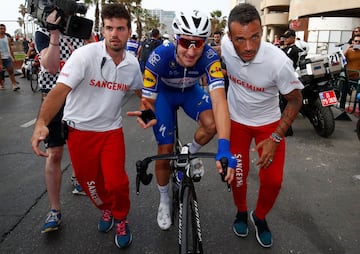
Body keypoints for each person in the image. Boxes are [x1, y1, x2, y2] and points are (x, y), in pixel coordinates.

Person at [31, 3, 142, 249]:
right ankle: (105, 210)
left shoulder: (132, 65)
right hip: (79, 133)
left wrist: (149, 108)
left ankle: (121, 217)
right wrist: (41, 122)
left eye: (120, 28)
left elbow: (142, 91)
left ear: (129, 30)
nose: (115, 34)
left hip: (111, 132)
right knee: (91, 186)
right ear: (102, 29)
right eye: (109, 28)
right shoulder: (84, 56)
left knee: (117, 183)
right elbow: (59, 91)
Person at [127, 10, 237, 231]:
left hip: (190, 92)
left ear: (205, 43)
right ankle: (165, 200)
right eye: (186, 42)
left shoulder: (210, 57)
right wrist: (147, 113)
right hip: (165, 96)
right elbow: (148, 99)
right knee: (165, 147)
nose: (191, 50)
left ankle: (189, 151)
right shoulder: (159, 56)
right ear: (176, 39)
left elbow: (219, 101)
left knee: (212, 123)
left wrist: (224, 147)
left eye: (198, 43)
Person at [221, 3, 303, 248]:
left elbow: (296, 99)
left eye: (255, 37)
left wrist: (276, 137)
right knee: (237, 175)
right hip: (236, 122)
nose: (248, 47)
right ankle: (241, 212)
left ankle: (260, 216)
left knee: (273, 181)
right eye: (240, 39)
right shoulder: (225, 47)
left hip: (268, 125)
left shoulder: (277, 62)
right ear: (229, 38)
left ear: (261, 32)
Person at [33, 7, 89, 234]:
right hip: (54, 96)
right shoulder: (42, 33)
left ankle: (77, 178)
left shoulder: (79, 30)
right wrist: (54, 33)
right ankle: (54, 210)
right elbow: (51, 66)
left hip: (78, 97)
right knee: (55, 153)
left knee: (79, 146)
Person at [340, 34, 360, 109]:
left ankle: (355, 109)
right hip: (347, 76)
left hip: (357, 77)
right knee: (344, 93)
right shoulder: (348, 50)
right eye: (356, 41)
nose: (357, 43)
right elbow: (342, 58)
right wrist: (348, 48)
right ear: (353, 42)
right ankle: (342, 108)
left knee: (356, 95)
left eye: (359, 41)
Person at [0, 24, 19, 91]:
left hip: (7, 57)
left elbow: (10, 48)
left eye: (3, 28)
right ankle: (1, 84)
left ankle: (14, 85)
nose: (2, 30)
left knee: (11, 71)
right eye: (0, 28)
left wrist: (13, 57)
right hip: (0, 58)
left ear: (5, 29)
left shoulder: (7, 38)